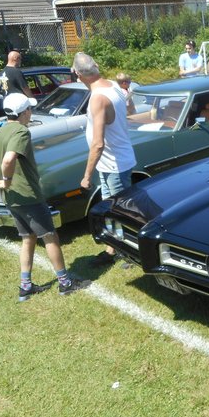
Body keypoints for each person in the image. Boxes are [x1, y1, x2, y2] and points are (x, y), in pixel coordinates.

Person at [0, 93, 84, 300]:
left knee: (27, 239)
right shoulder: (21, 131)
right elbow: (8, 159)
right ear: (24, 112)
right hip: (28, 196)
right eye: (29, 109)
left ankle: (25, 286)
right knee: (50, 237)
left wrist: (3, 182)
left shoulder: (1, 131)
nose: (31, 112)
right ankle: (65, 283)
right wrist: (6, 178)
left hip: (12, 197)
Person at [73, 52, 137, 265]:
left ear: (78, 74)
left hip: (114, 164)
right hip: (114, 160)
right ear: (97, 66)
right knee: (111, 209)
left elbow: (98, 143)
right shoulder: (112, 85)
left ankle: (130, 252)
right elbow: (127, 109)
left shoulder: (98, 98)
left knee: (121, 211)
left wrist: (86, 176)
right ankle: (113, 249)